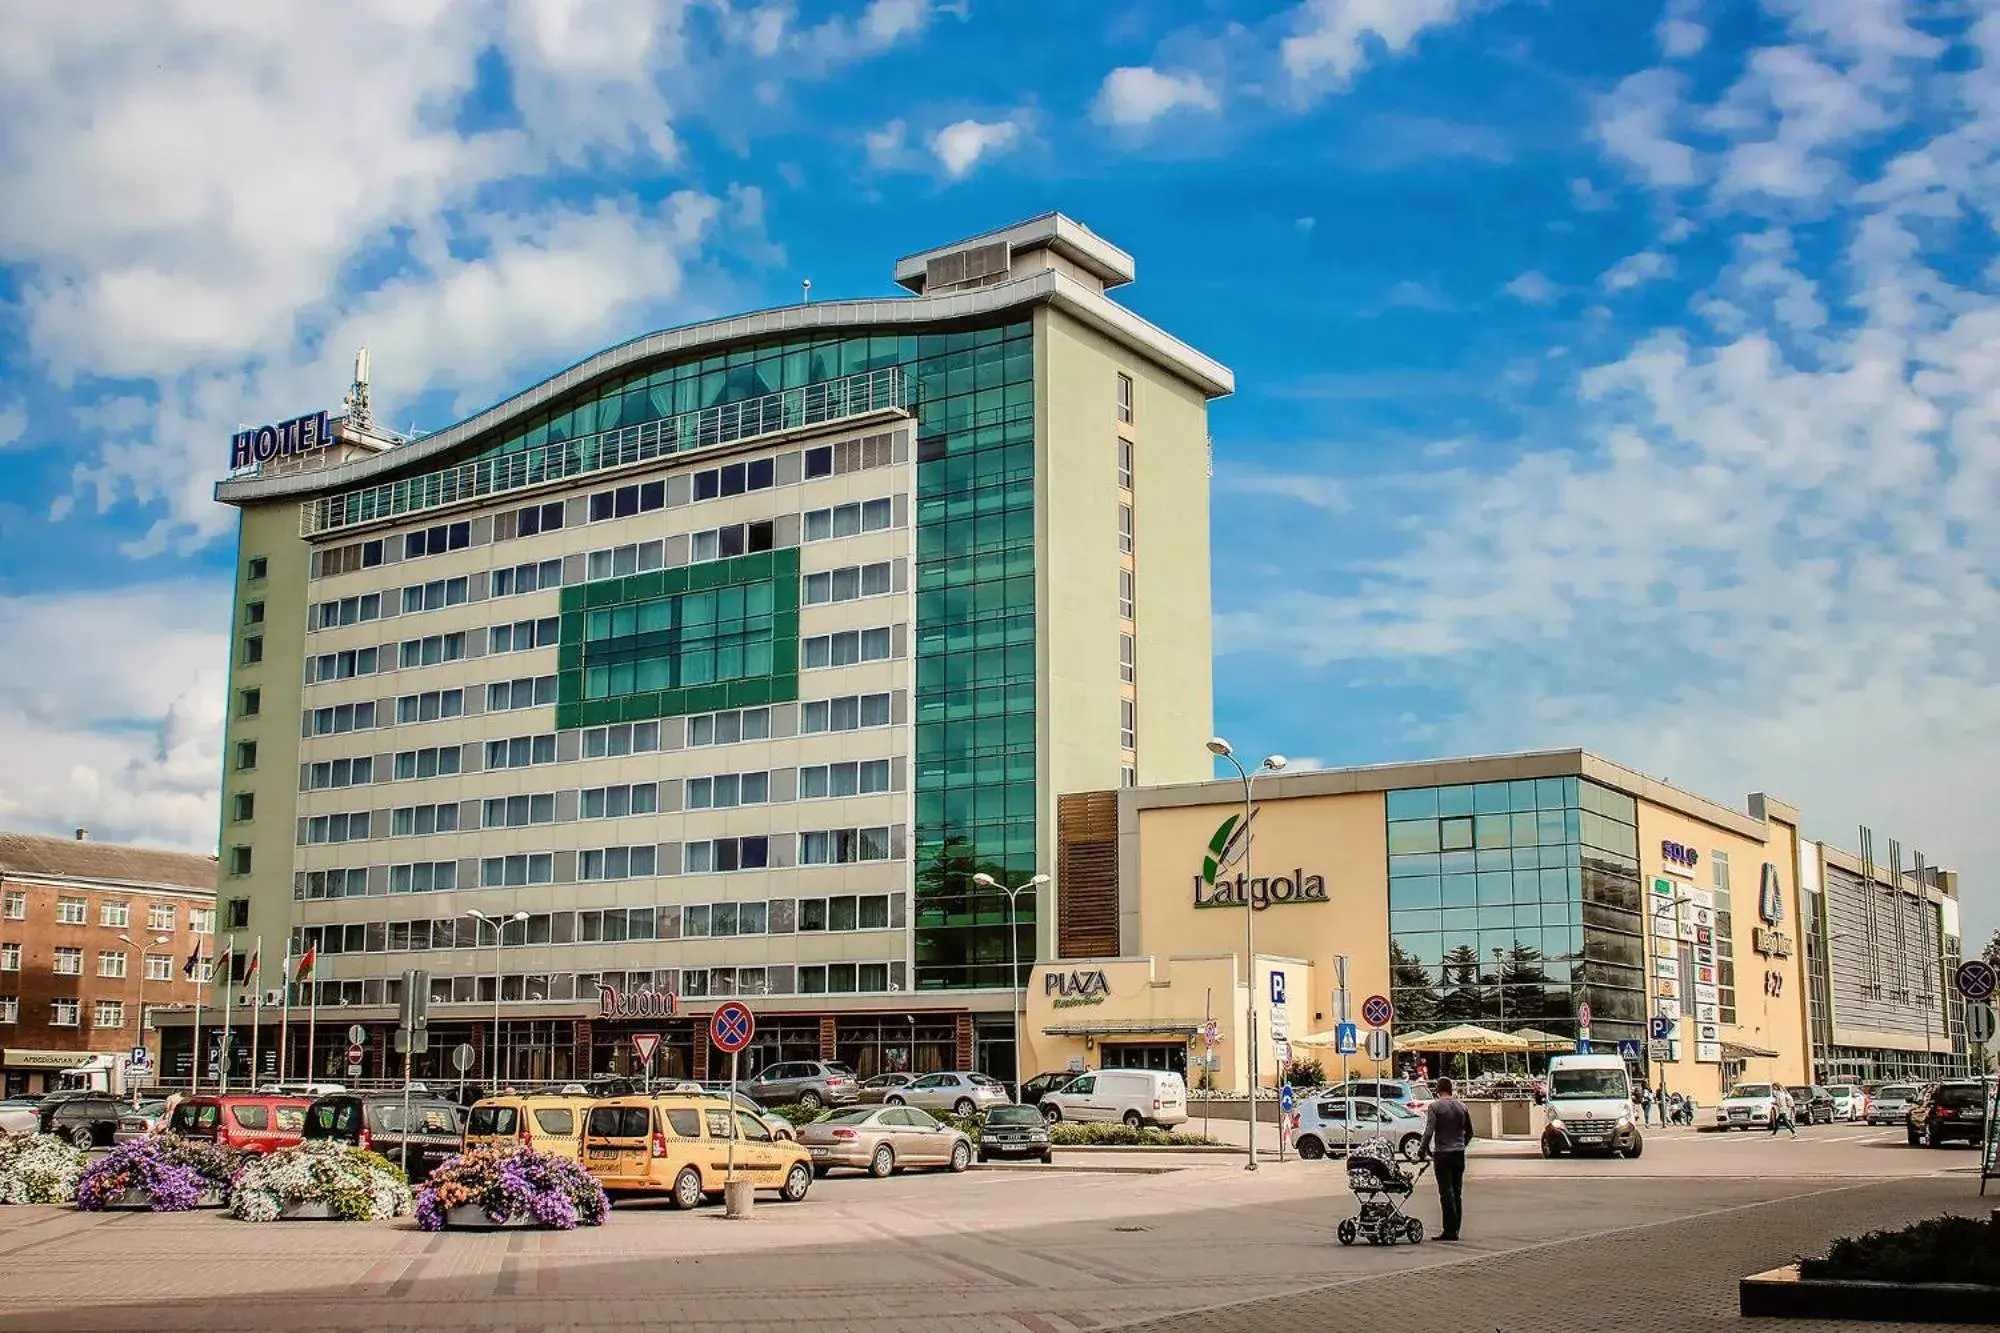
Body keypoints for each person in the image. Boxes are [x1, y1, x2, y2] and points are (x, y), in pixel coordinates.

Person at [1418, 1075, 1473, 1242]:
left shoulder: (1435, 1107)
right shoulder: (1462, 1106)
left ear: (1437, 1090)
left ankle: (1448, 1230)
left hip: (1442, 1153)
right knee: (1457, 1192)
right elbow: (1470, 1132)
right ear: (1451, 1089)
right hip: (1458, 1154)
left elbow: (1429, 1132)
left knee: (1446, 1192)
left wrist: (1423, 1150)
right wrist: (1462, 1144)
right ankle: (1455, 1228)